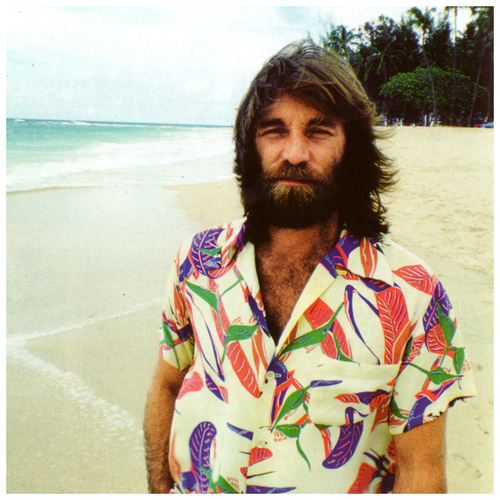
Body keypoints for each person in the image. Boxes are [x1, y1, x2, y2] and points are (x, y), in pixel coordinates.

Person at [144, 40, 476, 494]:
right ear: (250, 147)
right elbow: (167, 384)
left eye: (318, 132)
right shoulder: (197, 262)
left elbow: (421, 471)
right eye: (274, 131)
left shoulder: (412, 292)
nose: (295, 153)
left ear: (351, 151)